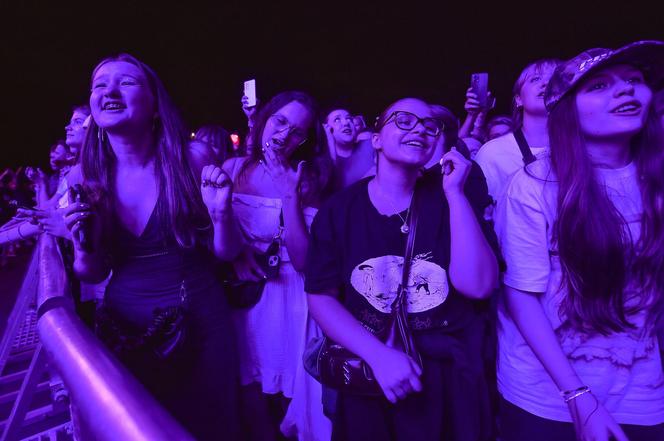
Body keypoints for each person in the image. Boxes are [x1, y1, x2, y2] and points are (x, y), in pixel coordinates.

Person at [63, 53, 242, 440]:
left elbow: (227, 253)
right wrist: (82, 247)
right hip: (127, 329)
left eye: (125, 81)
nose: (109, 89)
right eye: (99, 84)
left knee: (209, 426)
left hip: (201, 324)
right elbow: (92, 271)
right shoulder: (84, 174)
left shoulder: (192, 159)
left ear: (155, 103)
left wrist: (222, 213)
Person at [495, 40, 664, 441]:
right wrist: (577, 395)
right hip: (547, 392)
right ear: (566, 110)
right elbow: (522, 296)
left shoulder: (655, 182)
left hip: (641, 388)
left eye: (633, 81)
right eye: (600, 85)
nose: (624, 90)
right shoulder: (535, 185)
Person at [305, 97, 499, 441]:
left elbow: (478, 286)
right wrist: (378, 356)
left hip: (449, 378)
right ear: (376, 138)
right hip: (371, 373)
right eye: (405, 121)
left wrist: (455, 194)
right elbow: (321, 298)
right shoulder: (339, 211)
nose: (420, 130)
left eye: (429, 126)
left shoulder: (452, 198)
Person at [222, 91, 332, 440]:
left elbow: (303, 260)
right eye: (280, 121)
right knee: (248, 393)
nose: (285, 134)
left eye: (298, 131)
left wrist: (290, 194)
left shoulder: (309, 177)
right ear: (265, 119)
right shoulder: (233, 168)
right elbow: (211, 239)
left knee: (288, 400)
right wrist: (237, 252)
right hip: (242, 297)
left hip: (289, 299)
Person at [474, 59, 560, 207]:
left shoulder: (585, 148)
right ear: (519, 99)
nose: (546, 83)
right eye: (536, 79)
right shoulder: (493, 153)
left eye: (554, 79)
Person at [324, 107, 375, 189]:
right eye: (337, 120)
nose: (345, 123)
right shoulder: (324, 163)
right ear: (327, 129)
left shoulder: (370, 145)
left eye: (348, 118)